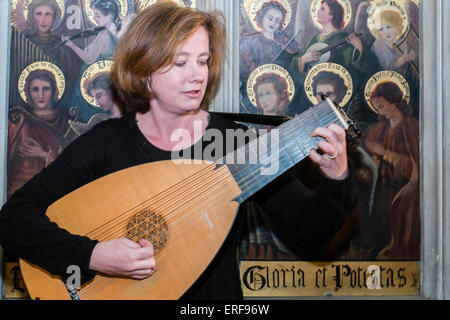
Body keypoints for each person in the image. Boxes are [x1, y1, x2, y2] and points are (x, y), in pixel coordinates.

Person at [0, 2, 356, 299]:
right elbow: (13, 219)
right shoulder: (106, 143)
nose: (197, 75)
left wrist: (336, 176)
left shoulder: (235, 143)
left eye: (202, 61)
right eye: (180, 62)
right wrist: (92, 255)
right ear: (144, 71)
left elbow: (314, 227)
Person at [361, 81, 420, 260]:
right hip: (382, 190)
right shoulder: (378, 129)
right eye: (375, 108)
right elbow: (363, 147)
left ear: (394, 101)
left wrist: (384, 153)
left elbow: (415, 166)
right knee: (379, 232)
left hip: (405, 193)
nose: (379, 111)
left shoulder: (412, 128)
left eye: (381, 106)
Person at [7, 69, 73, 199]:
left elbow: (74, 163)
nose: (41, 95)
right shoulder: (18, 121)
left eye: (46, 89)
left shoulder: (67, 121)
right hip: (22, 191)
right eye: (35, 89)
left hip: (56, 191)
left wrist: (43, 155)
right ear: (28, 93)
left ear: (54, 91)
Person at [63, 0, 121, 65]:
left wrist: (72, 45)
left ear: (110, 16)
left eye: (98, 16)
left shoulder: (104, 36)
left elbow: (88, 58)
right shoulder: (119, 31)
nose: (93, 18)